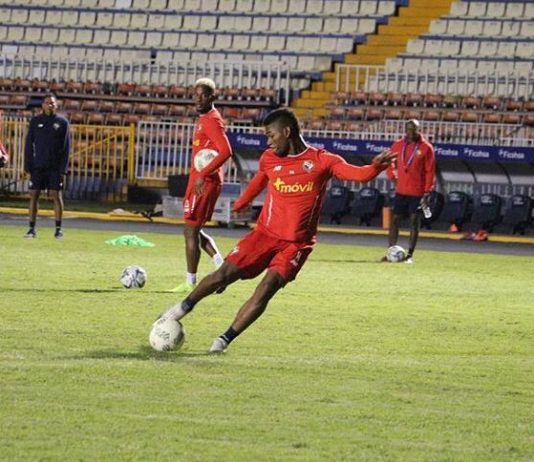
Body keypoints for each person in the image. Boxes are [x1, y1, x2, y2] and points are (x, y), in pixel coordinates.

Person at [155, 108, 394, 353]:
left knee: (266, 288)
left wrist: (376, 167)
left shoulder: (322, 161)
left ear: (286, 132)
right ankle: (178, 310)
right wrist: (241, 203)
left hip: (296, 244)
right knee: (223, 274)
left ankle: (222, 341)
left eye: (271, 135)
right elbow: (259, 181)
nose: (268, 142)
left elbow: (358, 175)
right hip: (264, 235)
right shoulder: (269, 159)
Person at [170, 78, 233, 293]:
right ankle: (221, 268)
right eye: (195, 95)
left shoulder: (211, 120)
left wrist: (203, 174)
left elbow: (226, 151)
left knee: (190, 230)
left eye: (203, 95)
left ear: (212, 97)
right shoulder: (205, 118)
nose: (198, 99)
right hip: (200, 179)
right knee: (193, 230)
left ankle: (190, 282)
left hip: (204, 182)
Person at [383, 119, 435, 263]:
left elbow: (430, 170)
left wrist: (428, 191)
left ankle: (410, 255)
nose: (410, 132)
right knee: (395, 220)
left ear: (419, 130)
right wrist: (393, 176)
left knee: (414, 222)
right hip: (401, 190)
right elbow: (389, 162)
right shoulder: (398, 144)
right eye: (408, 129)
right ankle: (391, 252)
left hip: (418, 192)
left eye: (413, 129)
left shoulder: (426, 147)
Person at [24, 93, 71, 239]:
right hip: (38, 166)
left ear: (56, 105)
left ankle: (58, 229)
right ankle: (31, 229)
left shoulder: (62, 123)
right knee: (34, 195)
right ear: (42, 105)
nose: (50, 105)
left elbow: (66, 148)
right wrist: (28, 166)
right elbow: (29, 144)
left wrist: (63, 169)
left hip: (55, 167)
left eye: (52, 103)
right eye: (47, 102)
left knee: (56, 195)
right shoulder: (35, 121)